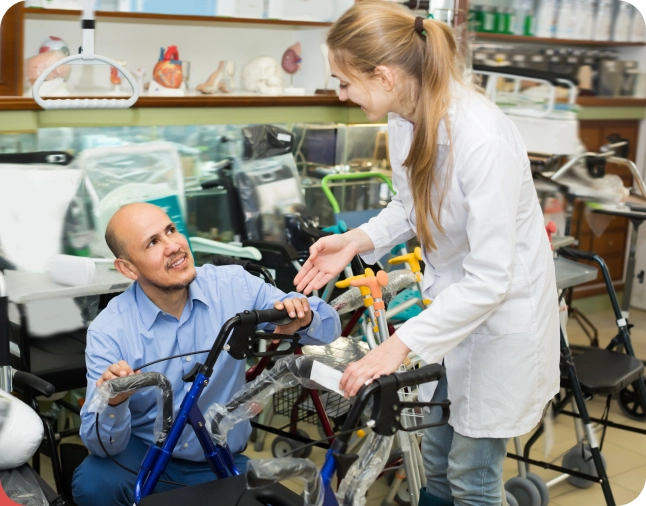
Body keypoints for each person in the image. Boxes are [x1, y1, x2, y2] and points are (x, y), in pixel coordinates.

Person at [294, 3, 559, 505]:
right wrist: (357, 240)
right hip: (453, 318)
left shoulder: (480, 137)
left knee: (471, 478)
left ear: (385, 75)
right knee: (436, 464)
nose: (340, 94)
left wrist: (399, 345)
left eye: (344, 82)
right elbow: (411, 204)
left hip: (502, 322)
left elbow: (490, 279)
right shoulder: (405, 117)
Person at [73, 203, 341, 506]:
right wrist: (114, 402)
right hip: (145, 455)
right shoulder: (108, 331)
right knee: (93, 482)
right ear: (128, 268)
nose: (173, 246)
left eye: (171, 230)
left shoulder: (234, 286)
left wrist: (303, 316)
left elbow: (329, 326)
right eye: (153, 242)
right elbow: (101, 446)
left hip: (219, 456)